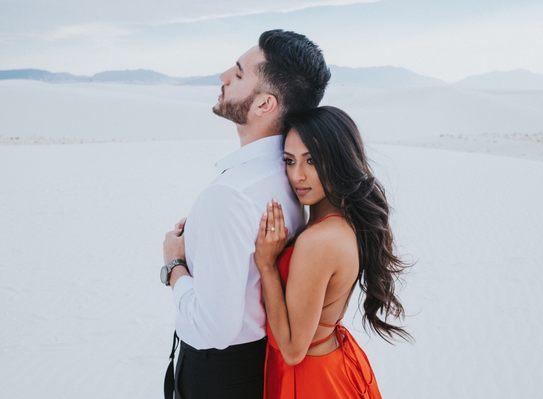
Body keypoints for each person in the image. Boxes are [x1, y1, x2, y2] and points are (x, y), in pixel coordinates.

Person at [160, 30, 330, 398]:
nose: (223, 76)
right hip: (257, 371)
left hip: (216, 378)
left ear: (264, 104)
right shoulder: (293, 180)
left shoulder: (230, 194)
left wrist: (174, 266)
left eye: (238, 74)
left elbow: (214, 328)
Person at [253, 106, 415, 398]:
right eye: (290, 161)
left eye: (312, 161)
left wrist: (266, 266)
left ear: (339, 160)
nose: (298, 175)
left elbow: (291, 349)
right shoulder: (341, 222)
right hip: (332, 362)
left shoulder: (319, 240)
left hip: (311, 379)